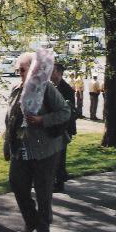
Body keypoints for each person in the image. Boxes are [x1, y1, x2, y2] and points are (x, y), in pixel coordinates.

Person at [3, 53, 71, 232]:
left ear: (33, 69)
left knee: (43, 190)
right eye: (18, 70)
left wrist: (43, 120)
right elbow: (11, 121)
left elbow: (65, 112)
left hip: (45, 149)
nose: (19, 73)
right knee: (17, 184)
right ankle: (30, 221)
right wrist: (7, 146)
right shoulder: (16, 89)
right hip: (21, 148)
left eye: (22, 69)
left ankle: (43, 228)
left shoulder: (46, 88)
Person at [50, 63, 77, 193]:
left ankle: (59, 182)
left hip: (64, 128)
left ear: (59, 72)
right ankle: (56, 179)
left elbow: (69, 111)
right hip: (55, 127)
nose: (49, 73)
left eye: (52, 71)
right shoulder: (52, 86)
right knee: (54, 155)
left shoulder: (66, 89)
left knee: (60, 156)